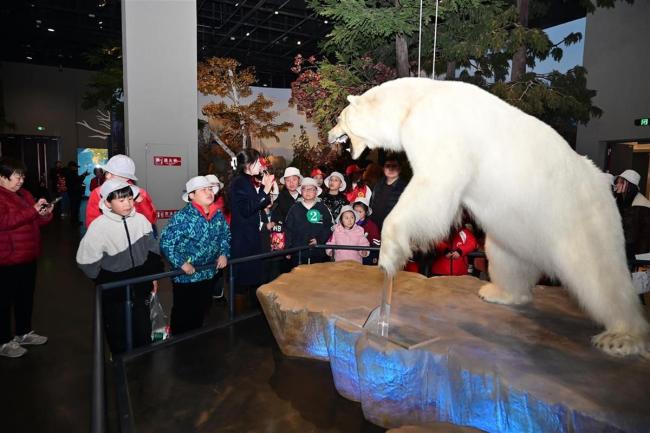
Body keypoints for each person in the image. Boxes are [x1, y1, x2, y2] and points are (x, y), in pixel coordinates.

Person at [76, 180, 163, 354]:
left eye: (130, 199)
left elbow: (153, 251)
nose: (128, 204)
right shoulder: (99, 227)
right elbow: (86, 261)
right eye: (121, 200)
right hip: (114, 289)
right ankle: (120, 362)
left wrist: (151, 276)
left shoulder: (141, 220)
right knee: (117, 327)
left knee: (142, 325)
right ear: (108, 202)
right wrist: (105, 279)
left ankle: (143, 359)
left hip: (140, 285)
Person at [160, 176, 230, 335]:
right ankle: (179, 347)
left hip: (208, 274)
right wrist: (182, 263)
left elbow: (225, 236)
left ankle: (195, 347)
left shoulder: (217, 215)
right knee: (183, 316)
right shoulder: (183, 217)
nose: (209, 192)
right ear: (191, 195)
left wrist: (224, 253)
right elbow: (166, 242)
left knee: (201, 313)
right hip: (186, 277)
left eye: (210, 189)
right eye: (203, 190)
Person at [0, 157, 53, 358]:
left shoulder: (25, 194)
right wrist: (31, 211)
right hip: (6, 259)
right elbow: (4, 221)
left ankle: (24, 332)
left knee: (25, 297)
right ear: (2, 176)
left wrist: (45, 213)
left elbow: (37, 222)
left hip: (28, 255)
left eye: (22, 176)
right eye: (16, 176)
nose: (21, 180)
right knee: (4, 302)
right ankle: (3, 341)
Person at [228, 149, 275, 312]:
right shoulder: (239, 182)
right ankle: (237, 320)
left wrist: (264, 190)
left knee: (251, 278)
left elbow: (258, 204)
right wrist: (264, 189)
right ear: (249, 164)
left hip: (250, 237)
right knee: (241, 282)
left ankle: (248, 317)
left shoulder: (248, 181)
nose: (262, 165)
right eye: (259, 161)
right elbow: (247, 209)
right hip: (243, 240)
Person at [85, 154, 157, 228]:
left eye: (112, 174)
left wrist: (140, 202)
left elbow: (151, 220)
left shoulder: (140, 193)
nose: (107, 176)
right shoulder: (98, 193)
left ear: (126, 177)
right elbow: (92, 225)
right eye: (107, 173)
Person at [285, 177, 334, 266]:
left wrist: (319, 239)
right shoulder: (295, 208)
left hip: (318, 251)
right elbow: (288, 229)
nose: (307, 192)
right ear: (301, 191)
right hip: (298, 251)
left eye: (311, 189)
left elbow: (329, 227)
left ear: (316, 192)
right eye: (304, 189)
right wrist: (288, 249)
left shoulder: (322, 208)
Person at [614, 169, 650, 265]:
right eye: (618, 181)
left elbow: (638, 236)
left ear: (629, 185)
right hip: (624, 254)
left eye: (621, 182)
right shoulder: (622, 201)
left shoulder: (642, 205)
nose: (617, 184)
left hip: (636, 256)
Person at [370, 157, 407, 232]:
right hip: (375, 229)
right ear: (383, 169)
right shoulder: (378, 185)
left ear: (399, 169)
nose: (391, 169)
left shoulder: (405, 189)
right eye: (387, 166)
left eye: (394, 166)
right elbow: (371, 205)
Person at [352, 197, 380, 265]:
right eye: (355, 211)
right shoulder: (349, 222)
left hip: (366, 256)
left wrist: (374, 256)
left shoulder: (371, 226)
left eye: (360, 211)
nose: (357, 214)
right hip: (350, 254)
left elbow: (376, 243)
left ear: (366, 212)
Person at [65, 161, 89, 225]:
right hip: (74, 193)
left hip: (73, 193)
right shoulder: (71, 174)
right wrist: (84, 175)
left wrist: (83, 175)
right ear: (71, 167)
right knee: (75, 207)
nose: (76, 168)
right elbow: (78, 180)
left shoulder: (69, 173)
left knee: (74, 207)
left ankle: (74, 221)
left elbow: (78, 179)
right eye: (75, 167)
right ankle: (74, 221)